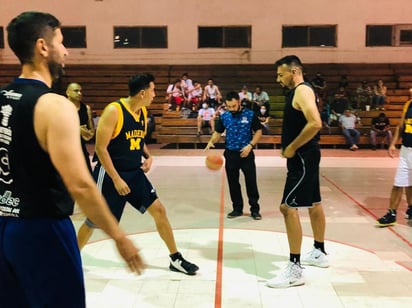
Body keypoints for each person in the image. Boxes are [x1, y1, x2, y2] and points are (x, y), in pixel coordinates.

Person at [0, 11, 144, 307]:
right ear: (43, 47)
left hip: (4, 227)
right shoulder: (54, 105)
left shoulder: (2, 99)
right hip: (43, 230)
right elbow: (79, 184)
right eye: (61, 42)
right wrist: (119, 237)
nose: (66, 51)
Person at [76, 73, 199, 276]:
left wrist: (148, 156)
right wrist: (116, 179)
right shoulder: (114, 111)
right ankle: (71, 258)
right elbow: (100, 148)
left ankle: (175, 258)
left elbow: (139, 139)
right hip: (109, 175)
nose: (154, 94)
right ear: (142, 93)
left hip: (134, 173)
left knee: (159, 210)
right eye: (152, 90)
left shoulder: (142, 112)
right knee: (94, 221)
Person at [267, 55, 327, 289]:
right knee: (314, 203)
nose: (278, 78)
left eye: (281, 74)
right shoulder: (301, 91)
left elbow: (315, 123)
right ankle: (319, 251)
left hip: (302, 157)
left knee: (287, 207)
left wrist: (292, 147)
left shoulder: (302, 91)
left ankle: (295, 268)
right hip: (307, 156)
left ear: (294, 72)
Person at [205, 91, 263, 220]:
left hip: (246, 154)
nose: (231, 109)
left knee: (251, 182)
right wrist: (211, 141)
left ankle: (255, 209)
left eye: (234, 106)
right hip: (231, 154)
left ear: (239, 102)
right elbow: (218, 132)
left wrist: (250, 145)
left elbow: (259, 131)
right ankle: (237, 209)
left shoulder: (249, 114)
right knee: (233, 183)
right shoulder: (224, 116)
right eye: (229, 106)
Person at [376, 100, 412, 226]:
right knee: (399, 183)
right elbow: (400, 126)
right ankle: (392, 214)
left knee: (409, 184)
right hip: (405, 150)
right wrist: (392, 144)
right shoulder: (408, 104)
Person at [66, 82, 95, 172]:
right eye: (76, 91)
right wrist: (76, 129)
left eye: (80, 91)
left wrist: (88, 134)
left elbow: (91, 130)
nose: (79, 93)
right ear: (68, 93)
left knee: (88, 174)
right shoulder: (61, 106)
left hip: (80, 147)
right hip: (64, 147)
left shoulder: (86, 109)